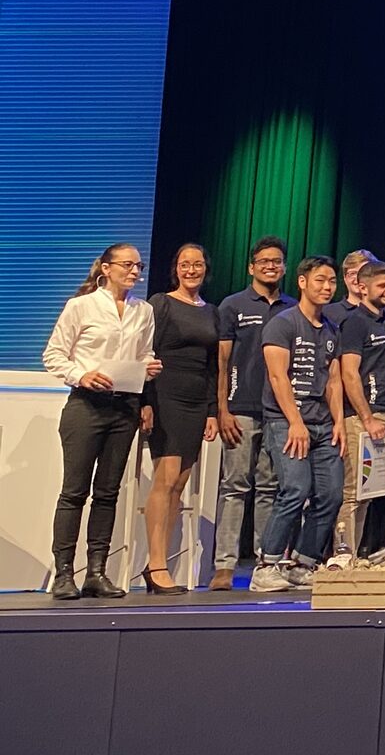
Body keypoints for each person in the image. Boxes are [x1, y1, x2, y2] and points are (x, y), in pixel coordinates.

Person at [42, 244, 161, 600]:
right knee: (74, 491)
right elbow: (53, 355)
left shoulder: (143, 311)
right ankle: (64, 574)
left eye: (139, 266)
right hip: (86, 406)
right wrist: (82, 374)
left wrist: (149, 367)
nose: (135, 271)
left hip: (124, 407)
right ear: (106, 268)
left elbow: (144, 353)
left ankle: (96, 572)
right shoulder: (81, 306)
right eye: (127, 265)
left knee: (108, 493)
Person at [253, 256, 346, 592]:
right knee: (295, 489)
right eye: (320, 280)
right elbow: (278, 377)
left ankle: (303, 563)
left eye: (332, 281)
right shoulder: (283, 324)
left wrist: (339, 422)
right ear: (302, 282)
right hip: (287, 422)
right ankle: (266, 565)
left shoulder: (332, 329)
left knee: (331, 494)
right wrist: (295, 421)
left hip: (323, 424)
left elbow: (333, 380)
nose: (327, 287)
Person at [211, 236, 295, 589]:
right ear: (251, 267)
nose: (270, 266)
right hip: (241, 408)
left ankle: (266, 562)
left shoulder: (293, 308)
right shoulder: (233, 305)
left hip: (277, 412)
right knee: (234, 486)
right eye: (264, 261)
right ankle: (224, 565)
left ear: (285, 267)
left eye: (276, 261)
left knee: (270, 487)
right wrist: (222, 408)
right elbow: (221, 361)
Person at [139, 243, 219, 592]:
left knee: (179, 484)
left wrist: (212, 411)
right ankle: (157, 565)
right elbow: (146, 351)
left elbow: (214, 366)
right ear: (176, 269)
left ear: (205, 269)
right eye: (185, 264)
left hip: (196, 401)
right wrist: (145, 401)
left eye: (197, 264)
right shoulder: (161, 302)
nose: (191, 270)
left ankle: (158, 563)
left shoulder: (211, 311)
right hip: (165, 396)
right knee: (166, 478)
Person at [337, 261, 385, 559]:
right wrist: (367, 418)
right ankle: (344, 556)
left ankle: (359, 555)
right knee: (354, 493)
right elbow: (349, 373)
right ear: (362, 287)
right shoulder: (355, 322)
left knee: (371, 492)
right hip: (363, 418)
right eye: (382, 285)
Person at [323, 249, 374, 326]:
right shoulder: (327, 313)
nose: (357, 278)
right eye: (352, 273)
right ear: (345, 278)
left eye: (364, 273)